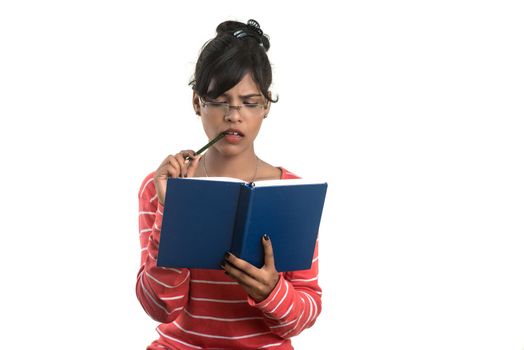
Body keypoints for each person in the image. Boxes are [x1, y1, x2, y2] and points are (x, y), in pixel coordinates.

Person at [136, 19, 322, 349]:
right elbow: (161, 307)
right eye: (221, 101)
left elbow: (304, 314)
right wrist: (173, 209)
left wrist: (271, 291)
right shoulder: (161, 186)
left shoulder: (291, 192)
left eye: (249, 102)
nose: (234, 115)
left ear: (265, 106)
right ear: (197, 103)